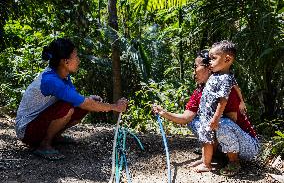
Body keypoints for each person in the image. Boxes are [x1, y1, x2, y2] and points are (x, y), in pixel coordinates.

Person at [15, 38, 128, 161]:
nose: (78, 60)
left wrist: (90, 100)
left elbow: (79, 100)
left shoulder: (63, 75)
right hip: (26, 131)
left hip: (37, 124)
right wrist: (114, 107)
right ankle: (44, 145)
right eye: (76, 56)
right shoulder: (52, 80)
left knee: (80, 107)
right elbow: (83, 103)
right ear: (66, 61)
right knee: (68, 107)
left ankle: (54, 137)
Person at [153, 45, 259, 176]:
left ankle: (233, 161)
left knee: (220, 123)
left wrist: (212, 126)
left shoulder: (224, 86)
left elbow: (231, 123)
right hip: (225, 138)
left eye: (196, 67)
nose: (193, 72)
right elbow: (186, 118)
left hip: (246, 146)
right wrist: (164, 113)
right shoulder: (201, 90)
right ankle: (212, 156)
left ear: (208, 68)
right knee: (196, 121)